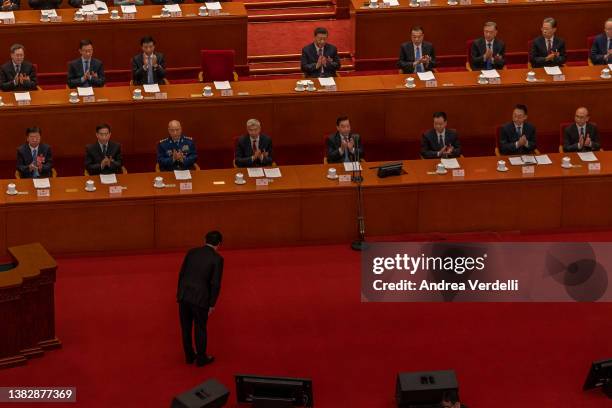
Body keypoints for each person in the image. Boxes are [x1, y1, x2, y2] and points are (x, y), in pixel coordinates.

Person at [177, 230, 223, 367]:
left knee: (185, 327)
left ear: (204, 240)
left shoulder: (191, 252)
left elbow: (182, 273)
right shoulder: (217, 259)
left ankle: (189, 356)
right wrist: (212, 303)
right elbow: (215, 284)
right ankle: (201, 358)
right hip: (200, 298)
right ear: (220, 244)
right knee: (200, 327)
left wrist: (179, 294)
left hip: (184, 295)